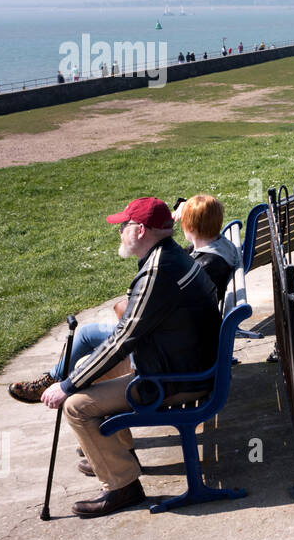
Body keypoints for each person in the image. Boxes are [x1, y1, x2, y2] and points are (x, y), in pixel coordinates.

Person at [39, 198, 220, 518]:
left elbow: (122, 339)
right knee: (96, 371)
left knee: (76, 406)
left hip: (176, 379)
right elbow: (127, 333)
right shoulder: (173, 256)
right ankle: (117, 458)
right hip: (186, 364)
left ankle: (122, 486)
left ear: (139, 230)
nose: (120, 231)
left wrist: (67, 385)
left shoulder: (157, 270)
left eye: (123, 226)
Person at [174, 194, 241, 298]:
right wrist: (186, 206)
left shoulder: (204, 267)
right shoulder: (220, 245)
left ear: (191, 227)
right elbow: (208, 212)